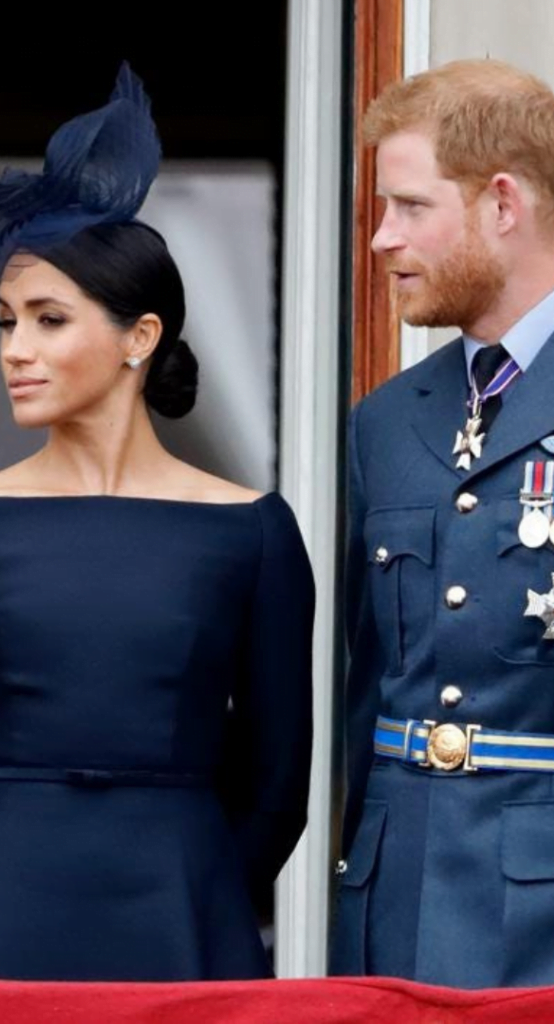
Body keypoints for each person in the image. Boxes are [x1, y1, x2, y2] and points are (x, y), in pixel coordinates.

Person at [0, 64, 314, 981]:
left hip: (182, 928)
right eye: (5, 324)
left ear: (139, 338)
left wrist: (200, 896)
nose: (16, 351)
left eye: (47, 320)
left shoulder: (255, 533)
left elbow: (279, 792)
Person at [333, 59, 554, 988]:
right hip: (393, 892)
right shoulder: (387, 420)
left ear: (503, 203)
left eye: (410, 206)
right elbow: (366, 687)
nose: (382, 239)